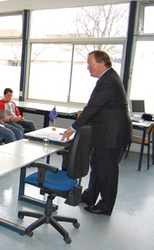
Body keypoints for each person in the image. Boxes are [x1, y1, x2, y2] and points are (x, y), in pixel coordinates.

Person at [61, 50, 132, 216]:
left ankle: (106, 205)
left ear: (102, 63)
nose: (88, 67)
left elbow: (92, 108)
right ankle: (90, 195)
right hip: (104, 133)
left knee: (107, 171)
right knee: (97, 166)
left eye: (90, 64)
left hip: (111, 135)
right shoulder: (108, 78)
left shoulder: (107, 81)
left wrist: (73, 127)